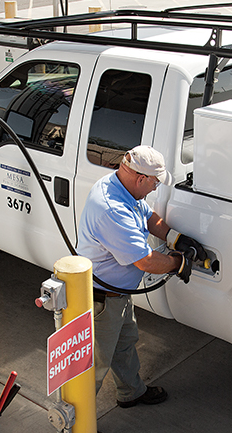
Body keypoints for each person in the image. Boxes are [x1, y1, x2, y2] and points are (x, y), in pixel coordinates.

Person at [77, 146, 208, 409]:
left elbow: (147, 216)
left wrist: (176, 238)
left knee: (124, 346)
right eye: (155, 183)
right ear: (140, 178)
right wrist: (178, 263)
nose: (154, 189)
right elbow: (145, 261)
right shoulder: (111, 209)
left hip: (118, 295)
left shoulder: (120, 187)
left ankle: (131, 393)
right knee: (91, 369)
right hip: (100, 301)